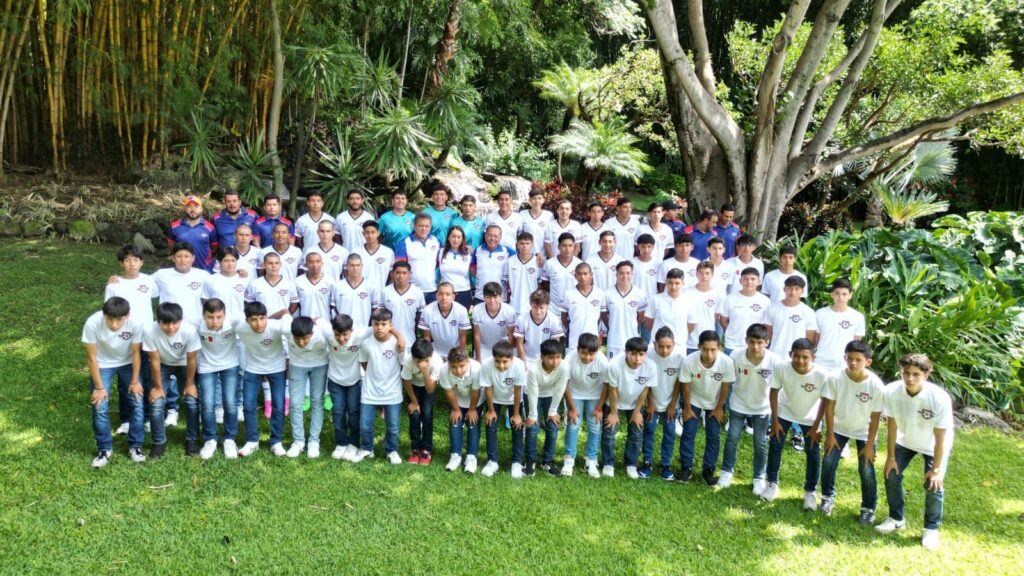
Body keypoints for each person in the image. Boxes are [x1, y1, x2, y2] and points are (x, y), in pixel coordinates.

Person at [877, 354, 954, 550]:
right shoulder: (891, 391)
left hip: (934, 444)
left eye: (916, 374)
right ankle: (896, 519)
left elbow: (940, 438)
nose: (910, 378)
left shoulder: (939, 397)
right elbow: (892, 426)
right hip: (906, 440)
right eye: (906, 373)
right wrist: (891, 458)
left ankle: (931, 529)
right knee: (891, 474)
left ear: (926, 375)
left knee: (933, 484)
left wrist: (936, 469)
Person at [819, 340, 885, 519]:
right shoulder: (835, 377)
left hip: (864, 432)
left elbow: (875, 418)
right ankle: (827, 498)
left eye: (858, 360)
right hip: (839, 428)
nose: (853, 363)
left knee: (866, 470)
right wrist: (830, 435)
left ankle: (868, 509)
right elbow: (829, 408)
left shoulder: (876, 385)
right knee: (828, 462)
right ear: (844, 358)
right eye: (849, 358)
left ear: (868, 362)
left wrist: (870, 445)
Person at [763, 338, 829, 503]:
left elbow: (825, 401)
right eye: (796, 356)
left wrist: (816, 426)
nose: (800, 360)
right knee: (776, 445)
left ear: (813, 357)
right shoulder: (781, 368)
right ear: (790, 354)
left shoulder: (822, 375)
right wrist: (775, 421)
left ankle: (810, 491)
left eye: (805, 357)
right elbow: (773, 393)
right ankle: (771, 483)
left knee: (813, 452)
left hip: (810, 418)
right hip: (784, 413)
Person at [82, 296, 145, 468]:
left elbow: (136, 353)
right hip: (102, 364)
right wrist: (99, 387)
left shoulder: (136, 323)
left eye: (119, 320)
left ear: (127, 316)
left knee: (137, 403)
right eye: (110, 319)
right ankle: (104, 449)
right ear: (104, 315)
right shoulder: (92, 323)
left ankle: (135, 446)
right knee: (99, 406)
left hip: (128, 363)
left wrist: (135, 381)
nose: (114, 324)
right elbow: (91, 358)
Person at [720, 324, 783, 493]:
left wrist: (776, 414)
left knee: (760, 442)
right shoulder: (736, 355)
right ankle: (726, 471)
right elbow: (728, 381)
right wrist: (721, 406)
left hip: (762, 408)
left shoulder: (774, 360)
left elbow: (778, 388)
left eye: (760, 342)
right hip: (738, 404)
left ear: (767, 342)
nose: (755, 346)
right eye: (752, 342)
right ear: (746, 340)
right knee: (732, 437)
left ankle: (758, 477)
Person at [104, 244, 157, 436]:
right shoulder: (114, 285)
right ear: (121, 263)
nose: (132, 264)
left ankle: (148, 417)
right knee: (125, 380)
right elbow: (108, 311)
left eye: (136, 260)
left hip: (147, 336)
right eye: (127, 260)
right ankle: (126, 419)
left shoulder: (149, 281)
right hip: (124, 338)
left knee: (148, 377)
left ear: (141, 262)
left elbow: (158, 295)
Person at [674, 330, 736, 485]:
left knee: (713, 435)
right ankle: (686, 468)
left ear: (719, 348)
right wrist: (687, 408)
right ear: (698, 347)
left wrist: (719, 408)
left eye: (713, 350)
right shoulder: (689, 361)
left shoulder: (727, 362)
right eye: (705, 349)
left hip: (715, 403)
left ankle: (708, 470)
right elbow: (685, 385)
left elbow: (726, 386)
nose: (709, 354)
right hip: (693, 401)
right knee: (688, 433)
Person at [144, 303, 202, 455]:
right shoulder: (149, 331)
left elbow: (192, 360)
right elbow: (154, 361)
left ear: (180, 320)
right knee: (156, 402)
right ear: (158, 321)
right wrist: (158, 388)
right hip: (162, 364)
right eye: (165, 323)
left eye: (175, 323)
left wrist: (189, 385)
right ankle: (158, 442)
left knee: (191, 400)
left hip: (184, 364)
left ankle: (192, 439)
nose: (171, 327)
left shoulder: (189, 331)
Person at [353, 308, 407, 464]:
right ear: (372, 324)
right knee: (365, 425)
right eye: (376, 324)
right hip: (370, 391)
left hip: (393, 392)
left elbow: (403, 365)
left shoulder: (398, 344)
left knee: (393, 426)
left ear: (390, 325)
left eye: (384, 324)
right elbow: (364, 363)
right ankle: (367, 449)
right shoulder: (366, 343)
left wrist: (400, 337)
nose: (379, 327)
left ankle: (392, 450)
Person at [235, 301, 289, 457]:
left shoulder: (277, 327)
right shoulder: (240, 326)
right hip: (253, 369)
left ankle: (276, 442)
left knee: (279, 405)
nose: (258, 323)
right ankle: (252, 441)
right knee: (248, 405)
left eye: (261, 318)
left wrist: (285, 313)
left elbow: (291, 327)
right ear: (246, 320)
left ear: (266, 317)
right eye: (253, 319)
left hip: (277, 369)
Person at [601, 336, 658, 479]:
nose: (637, 359)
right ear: (626, 352)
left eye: (641, 354)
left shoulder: (651, 366)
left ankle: (631, 464)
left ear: (645, 354)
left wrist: (637, 412)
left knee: (636, 433)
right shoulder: (615, 364)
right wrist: (614, 413)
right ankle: (608, 463)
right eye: (633, 354)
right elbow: (612, 390)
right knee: (609, 432)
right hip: (614, 401)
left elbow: (645, 390)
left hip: (635, 402)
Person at [195, 298, 241, 460]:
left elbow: (258, 321)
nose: (215, 321)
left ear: (225, 315)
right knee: (207, 403)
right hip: (206, 366)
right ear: (203, 315)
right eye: (210, 317)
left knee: (230, 402)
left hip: (230, 364)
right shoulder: (194, 323)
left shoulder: (235, 321)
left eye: (219, 317)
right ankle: (210, 439)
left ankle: (230, 439)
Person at [562, 333, 609, 478]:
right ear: (577, 349)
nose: (587, 358)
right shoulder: (570, 358)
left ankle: (591, 460)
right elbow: (564, 385)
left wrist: (599, 408)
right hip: (574, 394)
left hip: (595, 395)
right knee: (573, 424)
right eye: (584, 353)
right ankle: (569, 459)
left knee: (595, 425)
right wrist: (571, 408)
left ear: (598, 351)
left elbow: (606, 386)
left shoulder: (603, 362)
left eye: (591, 354)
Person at [326, 314, 372, 461]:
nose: (341, 339)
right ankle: (341, 443)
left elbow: (381, 328)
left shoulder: (359, 334)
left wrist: (400, 339)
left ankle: (353, 443)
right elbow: (316, 321)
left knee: (353, 411)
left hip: (354, 380)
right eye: (337, 335)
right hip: (335, 380)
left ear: (352, 331)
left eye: (345, 335)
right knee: (338, 411)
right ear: (333, 331)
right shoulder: (327, 332)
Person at [284, 316, 332, 458]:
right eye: (297, 338)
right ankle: (298, 441)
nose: (301, 343)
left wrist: (319, 319)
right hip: (297, 365)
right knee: (295, 403)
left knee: (317, 401)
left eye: (305, 338)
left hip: (320, 365)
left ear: (311, 333)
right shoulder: (286, 329)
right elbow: (280, 317)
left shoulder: (322, 334)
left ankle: (314, 441)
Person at [480, 341, 528, 478]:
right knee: (490, 425)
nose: (501, 365)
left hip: (513, 398)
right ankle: (492, 461)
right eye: (498, 361)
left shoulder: (519, 365)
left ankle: (516, 462)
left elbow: (518, 390)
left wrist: (516, 414)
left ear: (512, 359)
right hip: (494, 398)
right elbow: (488, 388)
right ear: (493, 358)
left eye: (505, 362)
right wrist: (490, 411)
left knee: (517, 426)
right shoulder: (486, 365)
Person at [524, 338, 570, 477]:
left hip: (551, 395)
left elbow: (560, 389)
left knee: (552, 427)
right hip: (531, 394)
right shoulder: (533, 369)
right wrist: (532, 416)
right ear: (542, 357)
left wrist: (553, 411)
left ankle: (547, 462)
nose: (555, 361)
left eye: (558, 357)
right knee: (533, 428)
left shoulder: (564, 367)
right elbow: (533, 392)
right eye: (551, 358)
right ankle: (530, 461)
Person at [646, 327, 686, 480]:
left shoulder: (680, 357)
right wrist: (650, 403)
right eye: (661, 346)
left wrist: (672, 404)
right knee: (649, 429)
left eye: (668, 346)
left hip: (670, 404)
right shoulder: (648, 354)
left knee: (669, 432)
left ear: (674, 344)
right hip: (652, 402)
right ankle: (647, 462)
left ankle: (665, 465)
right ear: (654, 344)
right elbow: (645, 381)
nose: (664, 350)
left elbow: (678, 382)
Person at [441, 348, 484, 474]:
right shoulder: (444, 370)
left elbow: (476, 391)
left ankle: (471, 457)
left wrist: (472, 409)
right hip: (457, 399)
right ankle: (455, 455)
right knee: (455, 424)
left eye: (462, 366)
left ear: (468, 362)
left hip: (475, 400)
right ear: (449, 364)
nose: (458, 370)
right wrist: (455, 409)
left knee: (473, 424)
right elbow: (449, 391)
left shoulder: (477, 369)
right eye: (454, 367)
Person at [402, 339, 444, 466]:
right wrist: (414, 402)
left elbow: (430, 389)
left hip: (428, 385)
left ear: (430, 356)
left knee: (427, 414)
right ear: (413, 356)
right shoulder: (408, 359)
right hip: (413, 386)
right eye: (418, 360)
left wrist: (425, 372)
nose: (422, 363)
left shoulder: (437, 362)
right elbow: (407, 382)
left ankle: (426, 449)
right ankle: (415, 449)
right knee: (414, 415)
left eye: (426, 360)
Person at [814, 278, 866, 373]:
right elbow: (816, 339)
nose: (840, 297)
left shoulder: (858, 317)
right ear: (832, 294)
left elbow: (856, 343)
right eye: (837, 293)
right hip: (821, 363)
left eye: (844, 294)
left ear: (850, 295)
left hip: (845, 364)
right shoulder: (820, 313)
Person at [152, 242, 210, 324]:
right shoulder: (161, 275)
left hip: (195, 323)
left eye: (186, 256)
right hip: (169, 322)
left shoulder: (203, 275)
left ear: (193, 258)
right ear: (173, 258)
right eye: (179, 256)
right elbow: (141, 283)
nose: (183, 260)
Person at [602, 261, 648, 358]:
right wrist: (612, 325)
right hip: (614, 341)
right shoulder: (607, 293)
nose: (625, 276)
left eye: (628, 273)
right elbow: (603, 315)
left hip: (632, 340)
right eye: (621, 273)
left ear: (632, 274)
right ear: (616, 274)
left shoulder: (639, 293)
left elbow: (641, 317)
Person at [720, 267, 771, 354]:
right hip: (732, 345)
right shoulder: (730, 299)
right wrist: (732, 333)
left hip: (755, 346)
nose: (749, 282)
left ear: (759, 281)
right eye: (746, 279)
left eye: (753, 279)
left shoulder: (765, 301)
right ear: (740, 281)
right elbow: (723, 321)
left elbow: (767, 325)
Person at [765, 276, 818, 356]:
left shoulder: (808, 312)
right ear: (784, 289)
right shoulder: (772, 309)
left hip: (797, 357)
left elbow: (809, 339)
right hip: (775, 355)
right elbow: (768, 335)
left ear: (802, 291)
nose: (793, 292)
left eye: (797, 289)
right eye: (789, 288)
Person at [395, 213, 442, 304]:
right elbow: (400, 269)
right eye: (420, 226)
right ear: (414, 226)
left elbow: (443, 260)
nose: (423, 229)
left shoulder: (436, 241)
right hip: (411, 290)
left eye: (426, 226)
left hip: (433, 291)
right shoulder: (404, 243)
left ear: (430, 227)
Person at [561, 263, 606, 352]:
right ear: (575, 275)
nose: (582, 277)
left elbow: (601, 317)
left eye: (585, 274)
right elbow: (564, 318)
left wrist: (599, 334)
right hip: (574, 339)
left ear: (591, 275)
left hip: (593, 339)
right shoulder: (568, 293)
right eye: (579, 274)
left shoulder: (599, 293)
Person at [417, 282, 471, 357]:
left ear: (453, 296)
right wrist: (429, 355)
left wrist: (461, 355)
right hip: (435, 352)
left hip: (455, 352)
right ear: (436, 295)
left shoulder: (461, 310)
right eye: (440, 294)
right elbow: (427, 336)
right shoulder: (427, 310)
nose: (444, 297)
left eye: (447, 294)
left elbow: (463, 335)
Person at [646, 268, 695, 350]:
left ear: (683, 283)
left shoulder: (689, 301)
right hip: (657, 345)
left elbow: (691, 325)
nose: (673, 286)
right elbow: (648, 321)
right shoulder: (656, 299)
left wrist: (680, 337)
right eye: (670, 283)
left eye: (677, 283)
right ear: (666, 283)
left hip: (679, 345)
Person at [684, 261, 725, 354]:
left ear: (712, 275)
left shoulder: (719, 293)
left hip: (708, 341)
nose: (704, 276)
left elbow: (715, 317)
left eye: (707, 273)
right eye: (701, 273)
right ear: (696, 274)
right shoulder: (686, 293)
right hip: (689, 342)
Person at [380, 261, 425, 345]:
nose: (401, 276)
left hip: (410, 340)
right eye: (398, 273)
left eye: (404, 273)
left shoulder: (418, 292)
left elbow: (420, 318)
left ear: (410, 274)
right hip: (388, 340)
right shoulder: (385, 291)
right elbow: (380, 317)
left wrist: (418, 337)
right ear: (392, 273)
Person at [513, 290, 565, 363]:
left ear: (547, 305)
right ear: (530, 304)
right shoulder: (522, 319)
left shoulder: (554, 320)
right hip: (527, 358)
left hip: (546, 358)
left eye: (541, 308)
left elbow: (555, 345)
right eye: (535, 307)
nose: (538, 312)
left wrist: (549, 361)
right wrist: (523, 362)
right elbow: (519, 343)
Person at [169, 194, 217, 272]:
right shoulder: (174, 226)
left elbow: (214, 247)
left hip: (205, 270)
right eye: (189, 206)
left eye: (196, 206)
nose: (193, 209)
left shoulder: (210, 227)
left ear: (201, 209)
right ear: (185, 208)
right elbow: (172, 246)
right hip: (183, 271)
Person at [244, 252, 298, 320]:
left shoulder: (289, 284)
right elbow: (249, 304)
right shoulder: (254, 284)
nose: (274, 266)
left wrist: (285, 317)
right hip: (262, 323)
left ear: (280, 264)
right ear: (264, 265)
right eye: (270, 263)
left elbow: (294, 305)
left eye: (276, 263)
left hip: (283, 323)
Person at [471, 282, 516, 363]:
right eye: (488, 297)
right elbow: (476, 335)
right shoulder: (477, 310)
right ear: (484, 297)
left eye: (495, 297)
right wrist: (478, 357)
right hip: (484, 347)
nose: (492, 301)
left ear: (501, 297)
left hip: (503, 346)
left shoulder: (509, 310)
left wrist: (509, 354)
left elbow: (510, 336)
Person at [471, 225, 515, 305]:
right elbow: (472, 268)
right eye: (489, 235)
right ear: (485, 235)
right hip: (480, 296)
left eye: (495, 236)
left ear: (500, 237)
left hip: (500, 297)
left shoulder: (507, 251)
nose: (492, 238)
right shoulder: (477, 250)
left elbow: (522, 257)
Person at [331, 253, 377, 327]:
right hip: (343, 329)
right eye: (352, 265)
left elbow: (375, 309)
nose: (355, 268)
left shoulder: (371, 286)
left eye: (358, 265)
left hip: (364, 329)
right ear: (347, 266)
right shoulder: (337, 286)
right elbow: (333, 308)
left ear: (362, 266)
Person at [202, 247, 250, 319]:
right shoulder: (210, 280)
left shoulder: (245, 279)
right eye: (226, 261)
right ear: (220, 262)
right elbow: (205, 300)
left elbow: (249, 301)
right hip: (218, 321)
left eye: (233, 260)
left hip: (240, 319)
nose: (230, 264)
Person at [540, 232, 581, 313]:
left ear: (574, 246)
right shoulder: (549, 263)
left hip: (574, 308)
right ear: (558, 247)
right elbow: (545, 285)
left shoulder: (579, 264)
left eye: (570, 246)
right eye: (564, 246)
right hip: (554, 309)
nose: (567, 249)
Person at [505, 232, 543, 312]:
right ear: (517, 245)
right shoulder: (510, 261)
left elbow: (540, 285)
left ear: (532, 245)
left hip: (531, 306)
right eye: (521, 243)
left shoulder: (537, 262)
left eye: (527, 243)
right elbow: (506, 283)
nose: (524, 246)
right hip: (513, 305)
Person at [352, 220, 395, 293]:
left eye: (373, 232)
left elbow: (392, 276)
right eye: (367, 232)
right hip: (360, 293)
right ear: (363, 234)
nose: (370, 236)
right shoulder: (355, 252)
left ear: (378, 233)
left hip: (380, 293)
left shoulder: (388, 252)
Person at [295, 252, 335, 321]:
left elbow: (333, 305)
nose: (314, 265)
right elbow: (295, 305)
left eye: (318, 261)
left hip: (325, 322)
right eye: (311, 262)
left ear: (322, 263)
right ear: (305, 264)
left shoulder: (330, 281)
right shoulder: (297, 282)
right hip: (305, 323)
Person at [630, 234, 659, 319]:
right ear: (638, 246)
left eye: (649, 247)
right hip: (634, 304)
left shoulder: (658, 264)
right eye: (643, 246)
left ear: (653, 247)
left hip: (651, 306)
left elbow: (660, 286)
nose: (646, 250)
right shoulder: (630, 263)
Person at [517, 187, 552, 256]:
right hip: (525, 255)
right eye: (534, 198)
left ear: (543, 200)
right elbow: (519, 236)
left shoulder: (549, 216)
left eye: (539, 198)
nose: (537, 201)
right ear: (530, 200)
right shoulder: (522, 214)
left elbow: (549, 238)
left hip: (543, 256)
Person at [605, 197, 640, 261]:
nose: (628, 210)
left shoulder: (635, 223)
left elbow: (637, 244)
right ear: (618, 208)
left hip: (628, 260)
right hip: (611, 261)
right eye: (625, 207)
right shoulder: (608, 223)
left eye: (630, 207)